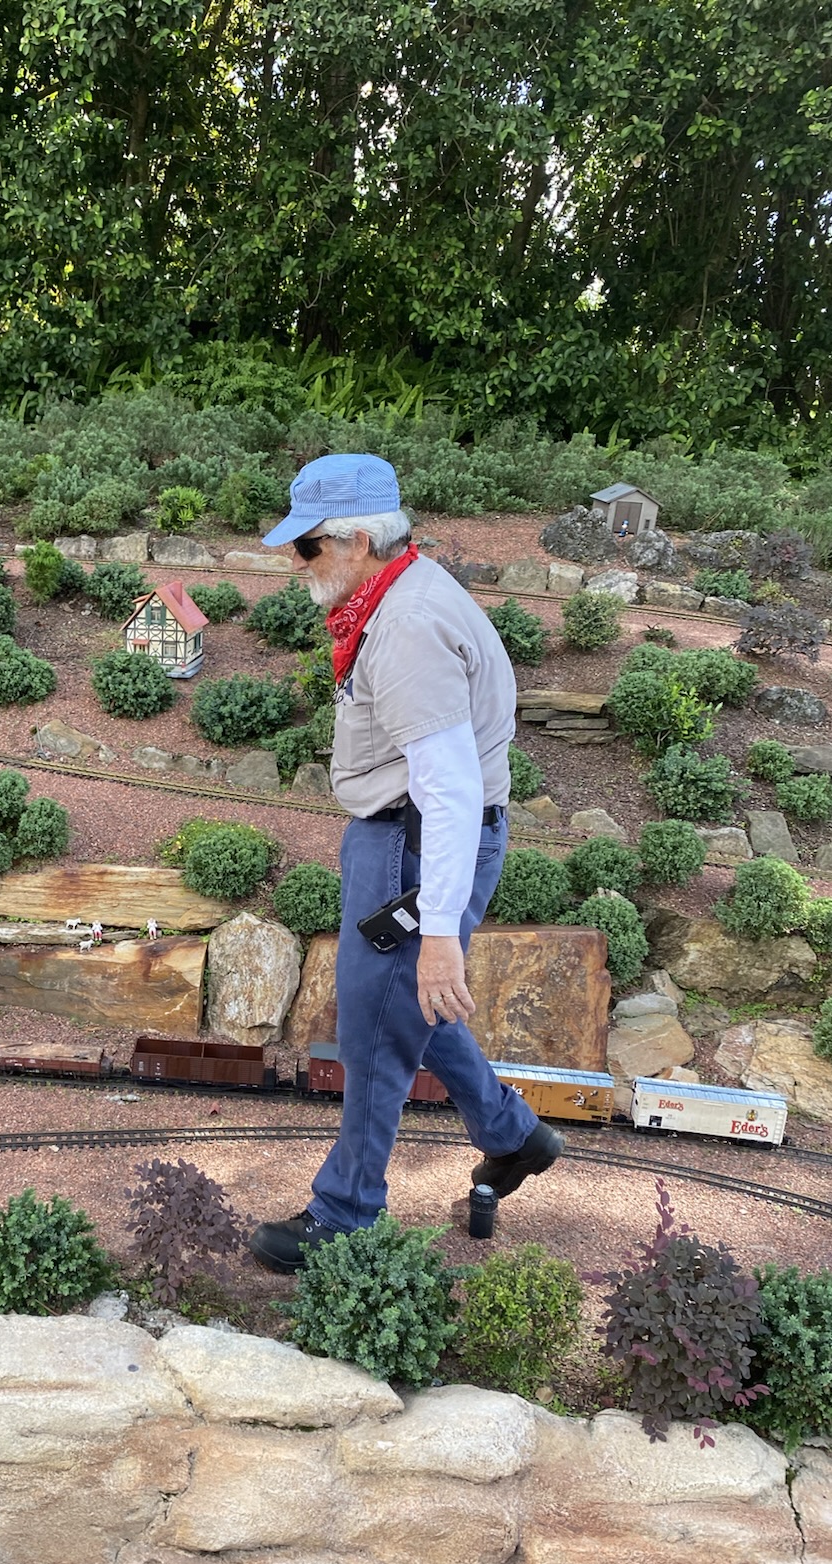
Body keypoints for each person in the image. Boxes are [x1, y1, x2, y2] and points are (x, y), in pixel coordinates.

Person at [248, 453, 563, 1274]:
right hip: (399, 835)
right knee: (405, 1008)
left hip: (416, 845)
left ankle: (345, 1215)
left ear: (357, 540)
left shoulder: (409, 629)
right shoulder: (398, 592)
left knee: (374, 1034)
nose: (297, 562)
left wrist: (440, 933)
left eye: (308, 546)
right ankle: (512, 1135)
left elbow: (451, 791)